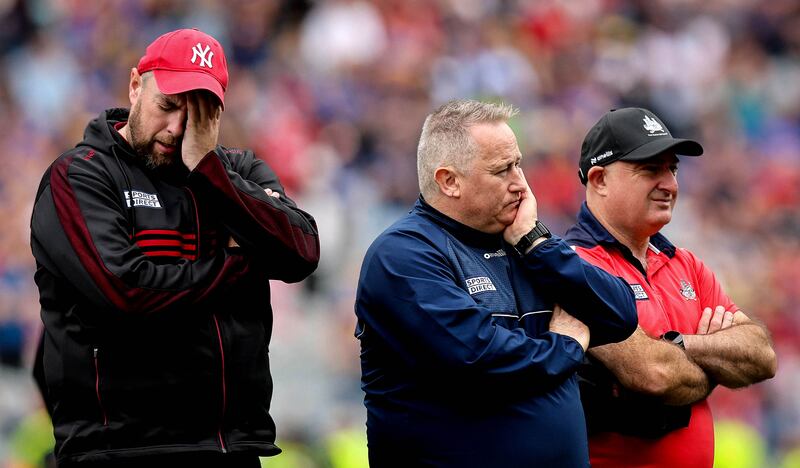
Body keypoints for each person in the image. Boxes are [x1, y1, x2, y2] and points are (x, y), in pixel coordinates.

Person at [29, 28, 320, 468]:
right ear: (134, 86)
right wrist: (242, 262)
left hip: (231, 448)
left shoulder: (238, 171)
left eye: (198, 116)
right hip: (120, 449)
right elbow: (127, 293)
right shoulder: (81, 176)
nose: (177, 128)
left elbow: (301, 254)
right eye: (167, 105)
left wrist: (209, 170)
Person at [354, 99, 638, 467]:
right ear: (449, 181)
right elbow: (480, 357)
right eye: (502, 170)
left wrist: (538, 243)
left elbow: (620, 314)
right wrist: (567, 346)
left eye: (518, 164)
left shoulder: (526, 245)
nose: (521, 184)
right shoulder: (403, 255)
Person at [565, 107, 778, 467]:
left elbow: (762, 357)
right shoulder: (573, 266)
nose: (670, 184)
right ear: (599, 179)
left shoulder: (685, 263)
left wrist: (678, 344)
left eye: (672, 169)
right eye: (651, 170)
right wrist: (714, 362)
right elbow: (656, 375)